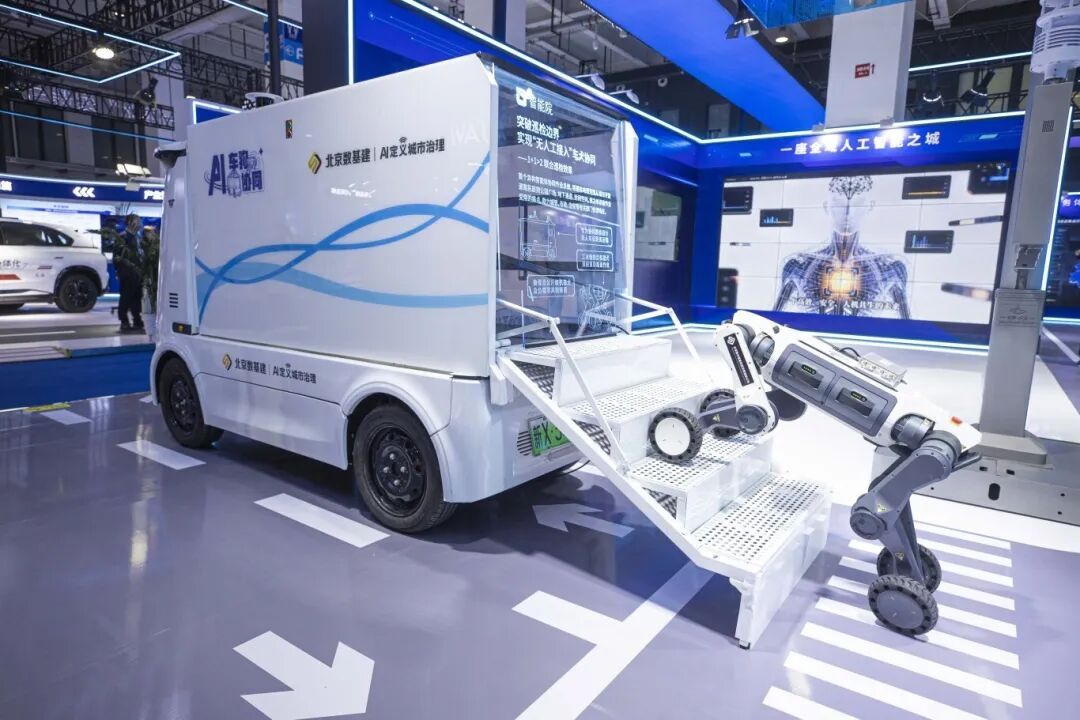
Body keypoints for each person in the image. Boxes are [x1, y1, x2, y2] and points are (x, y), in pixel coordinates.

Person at [114, 214, 144, 334]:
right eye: (137, 221)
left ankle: (137, 320)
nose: (139, 223)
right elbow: (117, 257)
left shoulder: (138, 237)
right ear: (130, 222)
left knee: (136, 298)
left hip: (137, 274)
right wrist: (121, 271)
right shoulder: (123, 237)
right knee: (126, 298)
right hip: (127, 274)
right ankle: (124, 321)